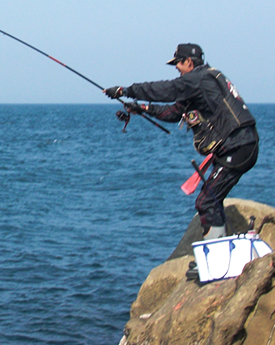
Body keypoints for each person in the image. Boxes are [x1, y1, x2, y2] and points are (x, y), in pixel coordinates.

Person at [104, 43, 259, 239]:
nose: (176, 67)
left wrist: (124, 90)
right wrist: (142, 108)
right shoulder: (204, 81)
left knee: (206, 201)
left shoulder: (198, 79)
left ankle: (217, 255)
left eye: (178, 63)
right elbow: (174, 112)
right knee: (210, 197)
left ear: (188, 62)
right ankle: (221, 244)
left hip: (238, 146)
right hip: (240, 145)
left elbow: (164, 90)